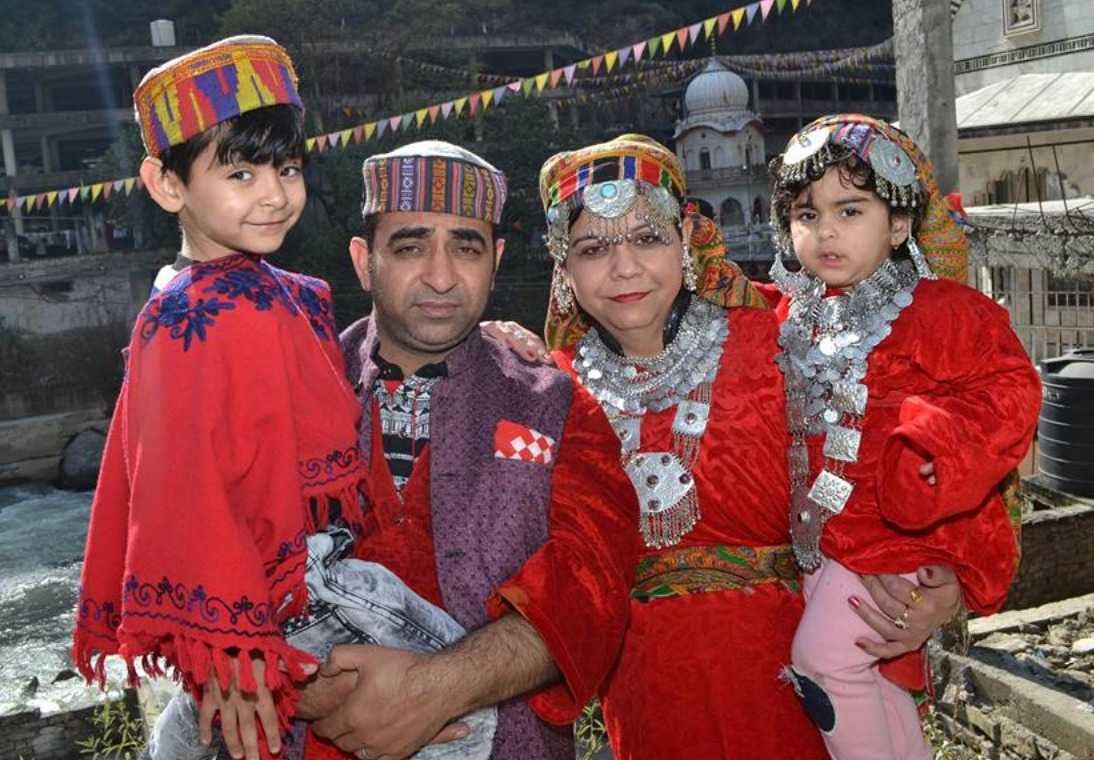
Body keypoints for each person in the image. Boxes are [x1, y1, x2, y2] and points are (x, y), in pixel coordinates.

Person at [71, 37, 491, 760]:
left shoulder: (239, 295)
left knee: (213, 736)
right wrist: (233, 644)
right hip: (294, 583)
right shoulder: (195, 317)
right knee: (470, 711)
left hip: (275, 581)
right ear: (167, 185)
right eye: (240, 172)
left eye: (288, 168)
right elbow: (183, 484)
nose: (274, 194)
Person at [520, 133, 968, 759]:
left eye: (648, 239)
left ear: (685, 242)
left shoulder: (782, 337)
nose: (624, 268)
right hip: (651, 706)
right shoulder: (548, 391)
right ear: (564, 270)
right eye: (593, 248)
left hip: (802, 690)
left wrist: (944, 577)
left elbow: (941, 413)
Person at [295, 140, 640, 760]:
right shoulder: (293, 391)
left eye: (466, 246)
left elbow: (594, 582)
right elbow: (223, 564)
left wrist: (434, 690)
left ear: (497, 259)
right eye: (409, 245)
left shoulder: (554, 402)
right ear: (363, 260)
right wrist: (295, 690)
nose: (441, 275)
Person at [766, 114, 1039, 759]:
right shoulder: (792, 314)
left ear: (898, 225)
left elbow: (1012, 392)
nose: (825, 229)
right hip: (825, 539)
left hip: (897, 534)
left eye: (850, 210)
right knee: (877, 682)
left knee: (822, 664)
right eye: (806, 214)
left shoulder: (942, 310)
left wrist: (930, 451)